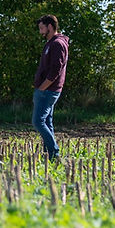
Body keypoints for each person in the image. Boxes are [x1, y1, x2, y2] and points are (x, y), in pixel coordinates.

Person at [32, 14, 68, 161]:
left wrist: (42, 88)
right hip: (46, 90)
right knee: (47, 122)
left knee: (38, 121)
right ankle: (49, 156)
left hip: (48, 91)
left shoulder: (57, 44)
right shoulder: (50, 43)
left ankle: (54, 152)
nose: (40, 32)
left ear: (50, 27)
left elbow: (55, 70)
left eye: (42, 28)